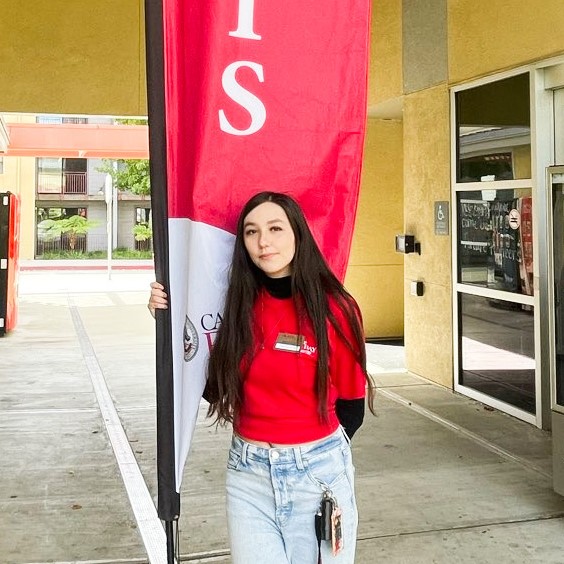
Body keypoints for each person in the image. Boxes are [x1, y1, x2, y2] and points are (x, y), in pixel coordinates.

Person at [148, 191, 374, 564]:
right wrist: (169, 324)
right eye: (251, 232)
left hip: (317, 475)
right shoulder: (235, 306)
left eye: (274, 228)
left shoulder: (337, 308)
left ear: (298, 234)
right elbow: (213, 389)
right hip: (247, 476)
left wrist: (309, 453)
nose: (263, 241)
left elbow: (352, 407)